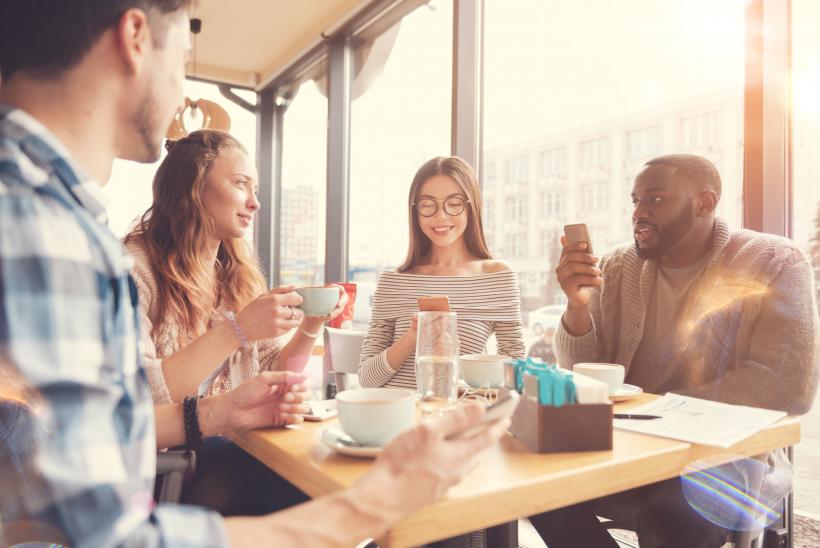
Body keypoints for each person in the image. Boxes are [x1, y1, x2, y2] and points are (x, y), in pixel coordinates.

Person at [0, 2, 507, 546]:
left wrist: (227, 406)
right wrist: (372, 505)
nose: (183, 92)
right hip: (185, 476)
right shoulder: (48, 231)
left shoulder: (64, 222)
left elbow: (106, 435)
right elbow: (113, 532)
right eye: (188, 40)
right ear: (136, 35)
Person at [533, 154, 820, 548]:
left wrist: (655, 415)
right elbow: (586, 375)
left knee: (673, 514)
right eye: (635, 201)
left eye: (655, 199)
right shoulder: (619, 265)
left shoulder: (774, 261)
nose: (639, 213)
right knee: (533, 484)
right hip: (627, 449)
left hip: (726, 460)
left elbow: (788, 387)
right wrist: (577, 307)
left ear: (704, 202)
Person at [124, 129, 345, 404]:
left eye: (256, 190)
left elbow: (274, 371)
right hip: (170, 447)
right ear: (193, 187)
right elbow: (137, 394)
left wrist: (312, 323)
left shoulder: (239, 274)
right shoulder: (132, 268)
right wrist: (239, 328)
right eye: (241, 184)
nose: (255, 202)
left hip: (232, 438)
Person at [358, 156, 526, 390]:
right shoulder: (394, 280)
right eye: (427, 204)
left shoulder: (497, 276)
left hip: (454, 418)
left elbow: (515, 372)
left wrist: (452, 361)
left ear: (471, 206)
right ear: (415, 211)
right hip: (394, 418)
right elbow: (366, 381)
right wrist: (414, 337)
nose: (441, 216)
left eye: (454, 203)